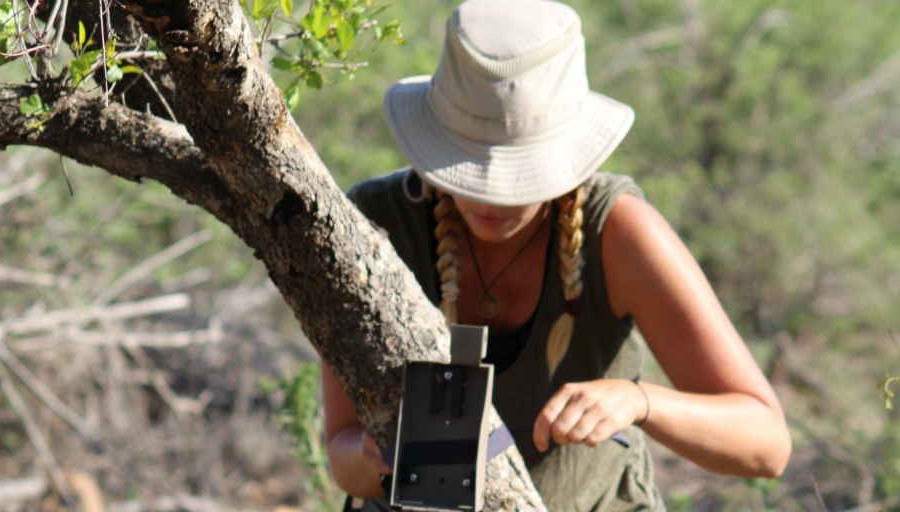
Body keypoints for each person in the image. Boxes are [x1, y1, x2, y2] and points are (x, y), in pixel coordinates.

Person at [321, 0, 792, 510]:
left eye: (516, 177)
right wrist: (377, 458)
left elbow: (766, 444)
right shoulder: (375, 225)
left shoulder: (617, 232)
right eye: (465, 167)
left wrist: (638, 402)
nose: (487, 198)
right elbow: (342, 451)